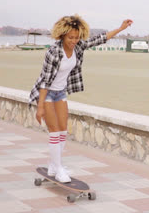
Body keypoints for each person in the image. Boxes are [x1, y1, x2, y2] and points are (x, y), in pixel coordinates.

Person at [29, 15, 133, 183]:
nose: (74, 41)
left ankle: (55, 165)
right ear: (62, 35)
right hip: (46, 93)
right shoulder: (53, 52)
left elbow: (100, 39)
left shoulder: (78, 47)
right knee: (54, 132)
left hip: (61, 93)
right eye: (71, 37)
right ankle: (58, 168)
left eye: (77, 37)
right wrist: (40, 107)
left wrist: (120, 29)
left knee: (63, 131)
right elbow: (45, 81)